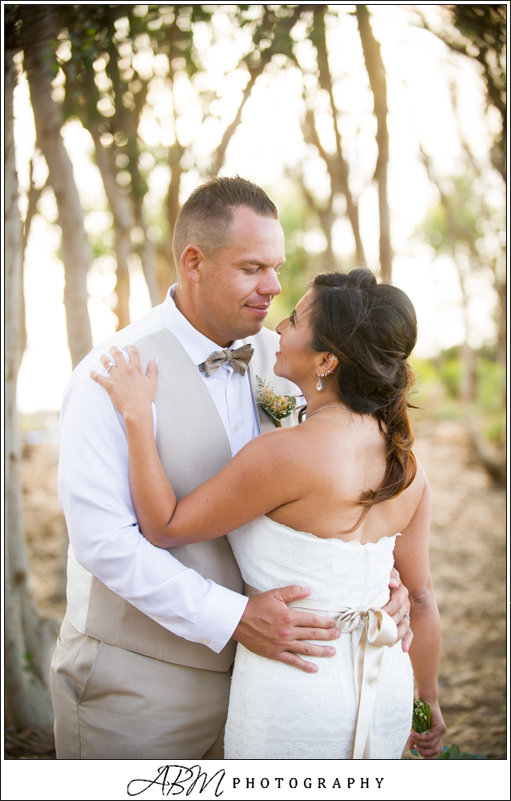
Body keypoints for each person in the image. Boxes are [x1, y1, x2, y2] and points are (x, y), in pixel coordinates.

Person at [51, 176, 411, 760]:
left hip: (273, 689)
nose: (273, 287)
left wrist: (373, 583)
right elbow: (103, 543)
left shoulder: (290, 358)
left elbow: (340, 484)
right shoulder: (110, 375)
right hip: (141, 689)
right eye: (251, 269)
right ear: (194, 262)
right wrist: (234, 617)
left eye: (276, 267)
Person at [91, 268, 446, 760]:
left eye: (296, 319)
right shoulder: (407, 464)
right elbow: (421, 596)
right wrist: (426, 705)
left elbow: (164, 526)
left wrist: (135, 418)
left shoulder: (284, 454)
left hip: (295, 694)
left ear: (326, 360)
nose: (278, 326)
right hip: (387, 690)